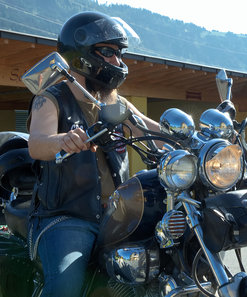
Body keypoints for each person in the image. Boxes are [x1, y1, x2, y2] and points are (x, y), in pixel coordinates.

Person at [26, 11, 160, 297]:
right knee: (66, 284)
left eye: (119, 53)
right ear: (83, 55)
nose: (118, 62)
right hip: (66, 216)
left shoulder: (113, 103)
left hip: (117, 215)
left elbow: (150, 131)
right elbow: (37, 143)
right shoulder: (51, 97)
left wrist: (197, 138)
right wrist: (65, 139)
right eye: (109, 52)